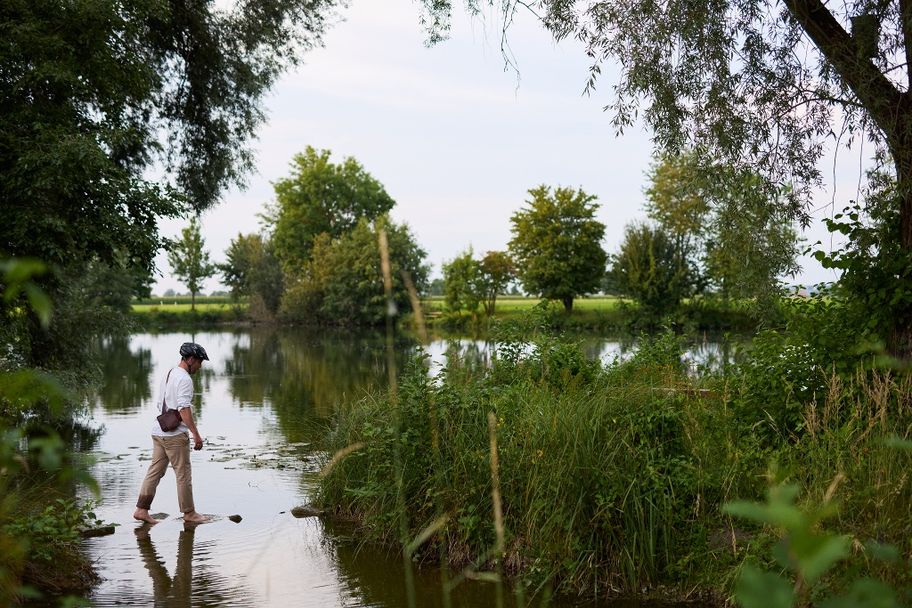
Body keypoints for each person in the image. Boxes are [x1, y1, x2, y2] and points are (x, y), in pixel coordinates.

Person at [133, 342, 209, 524]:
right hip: (175, 435)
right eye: (199, 362)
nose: (200, 366)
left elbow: (161, 404)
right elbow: (183, 408)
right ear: (191, 359)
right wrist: (196, 435)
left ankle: (141, 510)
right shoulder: (185, 379)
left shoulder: (169, 373)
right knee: (183, 474)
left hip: (159, 431)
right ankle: (189, 513)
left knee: (154, 472)